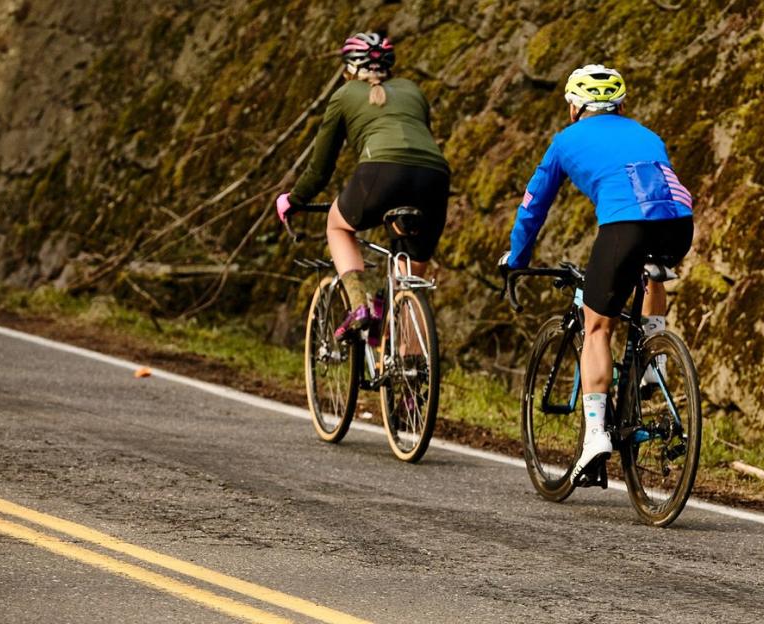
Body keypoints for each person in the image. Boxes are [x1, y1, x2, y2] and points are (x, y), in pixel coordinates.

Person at [498, 64, 695, 485]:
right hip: (680, 222)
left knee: (597, 328)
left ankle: (594, 438)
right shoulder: (646, 133)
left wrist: (517, 257)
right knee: (651, 273)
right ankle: (652, 356)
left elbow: (534, 204)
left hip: (625, 225)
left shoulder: (565, 140)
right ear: (621, 105)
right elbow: (656, 192)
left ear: (574, 106)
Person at [277, 32, 450, 338]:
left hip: (380, 171)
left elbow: (321, 168)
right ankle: (409, 361)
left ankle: (359, 305)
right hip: (434, 176)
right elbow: (417, 141)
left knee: (337, 224)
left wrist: (295, 198)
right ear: (389, 66)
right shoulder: (412, 89)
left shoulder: (345, 94)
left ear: (348, 68)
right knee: (409, 278)